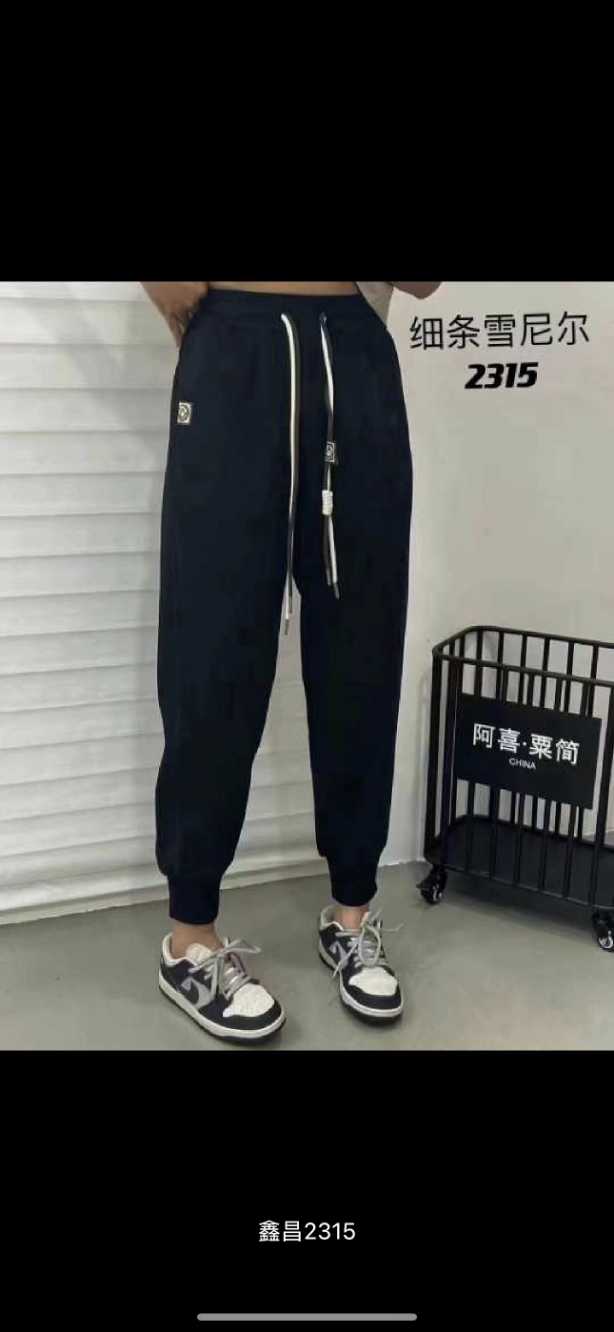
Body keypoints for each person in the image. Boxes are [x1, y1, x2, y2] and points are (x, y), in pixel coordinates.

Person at [141, 279, 441, 1043]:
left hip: (354, 354)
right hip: (233, 349)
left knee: (362, 649)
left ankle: (351, 913)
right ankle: (190, 936)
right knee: (212, 652)